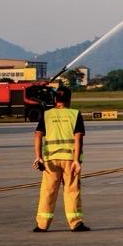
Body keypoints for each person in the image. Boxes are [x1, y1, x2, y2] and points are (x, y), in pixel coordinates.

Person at [31, 86, 89, 232]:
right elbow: (78, 137)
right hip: (69, 159)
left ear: (55, 99)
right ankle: (75, 223)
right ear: (69, 99)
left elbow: (37, 135)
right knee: (71, 190)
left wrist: (38, 157)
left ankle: (42, 225)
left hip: (50, 160)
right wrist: (77, 159)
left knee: (48, 191)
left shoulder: (47, 114)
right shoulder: (74, 114)